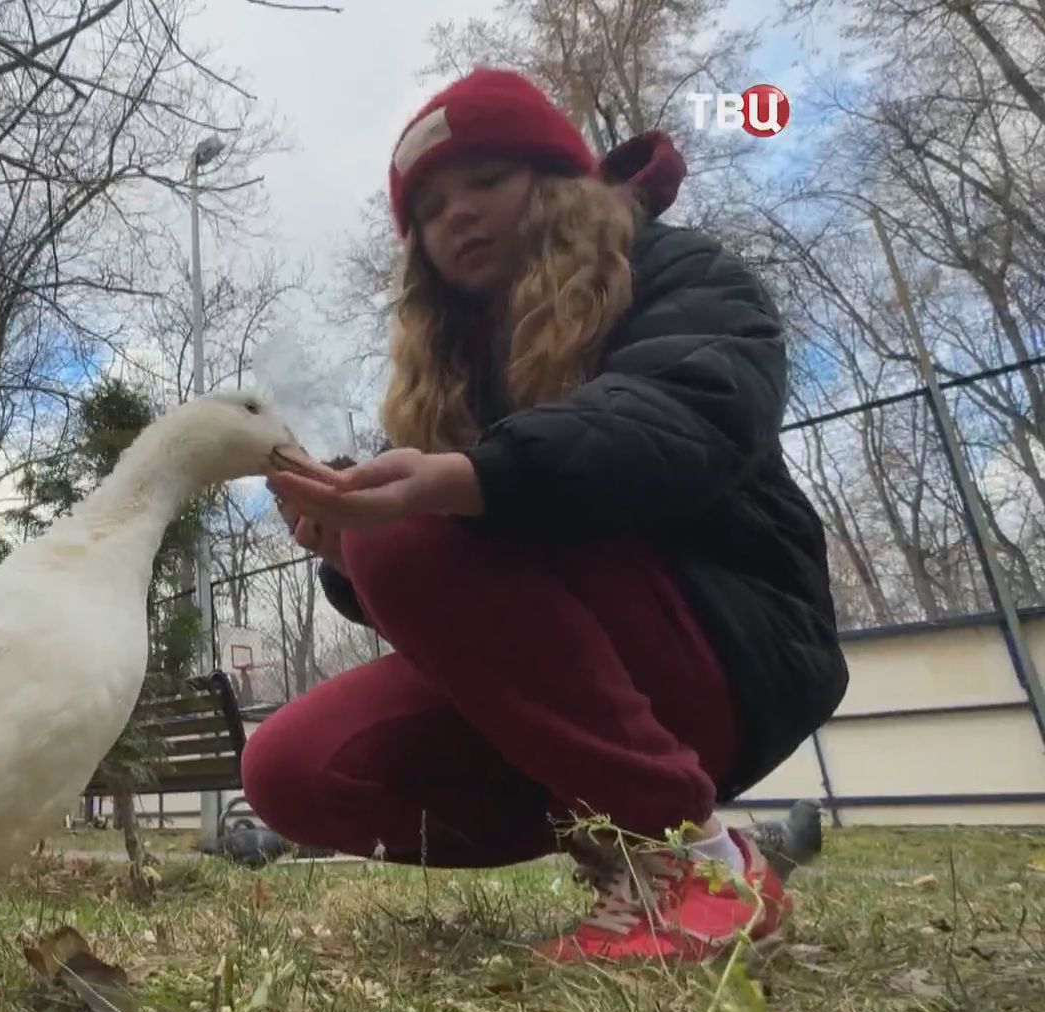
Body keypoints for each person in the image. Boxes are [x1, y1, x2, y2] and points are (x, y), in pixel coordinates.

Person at [242, 69, 849, 963]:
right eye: (431, 208)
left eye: (485, 181)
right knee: (292, 769)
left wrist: (467, 481)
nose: (458, 216)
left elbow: (687, 420)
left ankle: (700, 865)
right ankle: (617, 845)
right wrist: (346, 556)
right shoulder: (447, 374)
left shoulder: (680, 273)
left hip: (728, 642)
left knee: (414, 521)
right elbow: (471, 606)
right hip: (581, 690)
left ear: (558, 182)